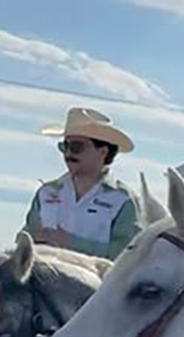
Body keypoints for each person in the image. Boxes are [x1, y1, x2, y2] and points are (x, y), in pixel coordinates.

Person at [23, 108, 142, 259]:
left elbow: (127, 255)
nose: (68, 154)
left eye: (76, 147)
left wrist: (70, 243)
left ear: (103, 152)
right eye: (64, 146)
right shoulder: (46, 192)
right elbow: (26, 238)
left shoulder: (123, 200)